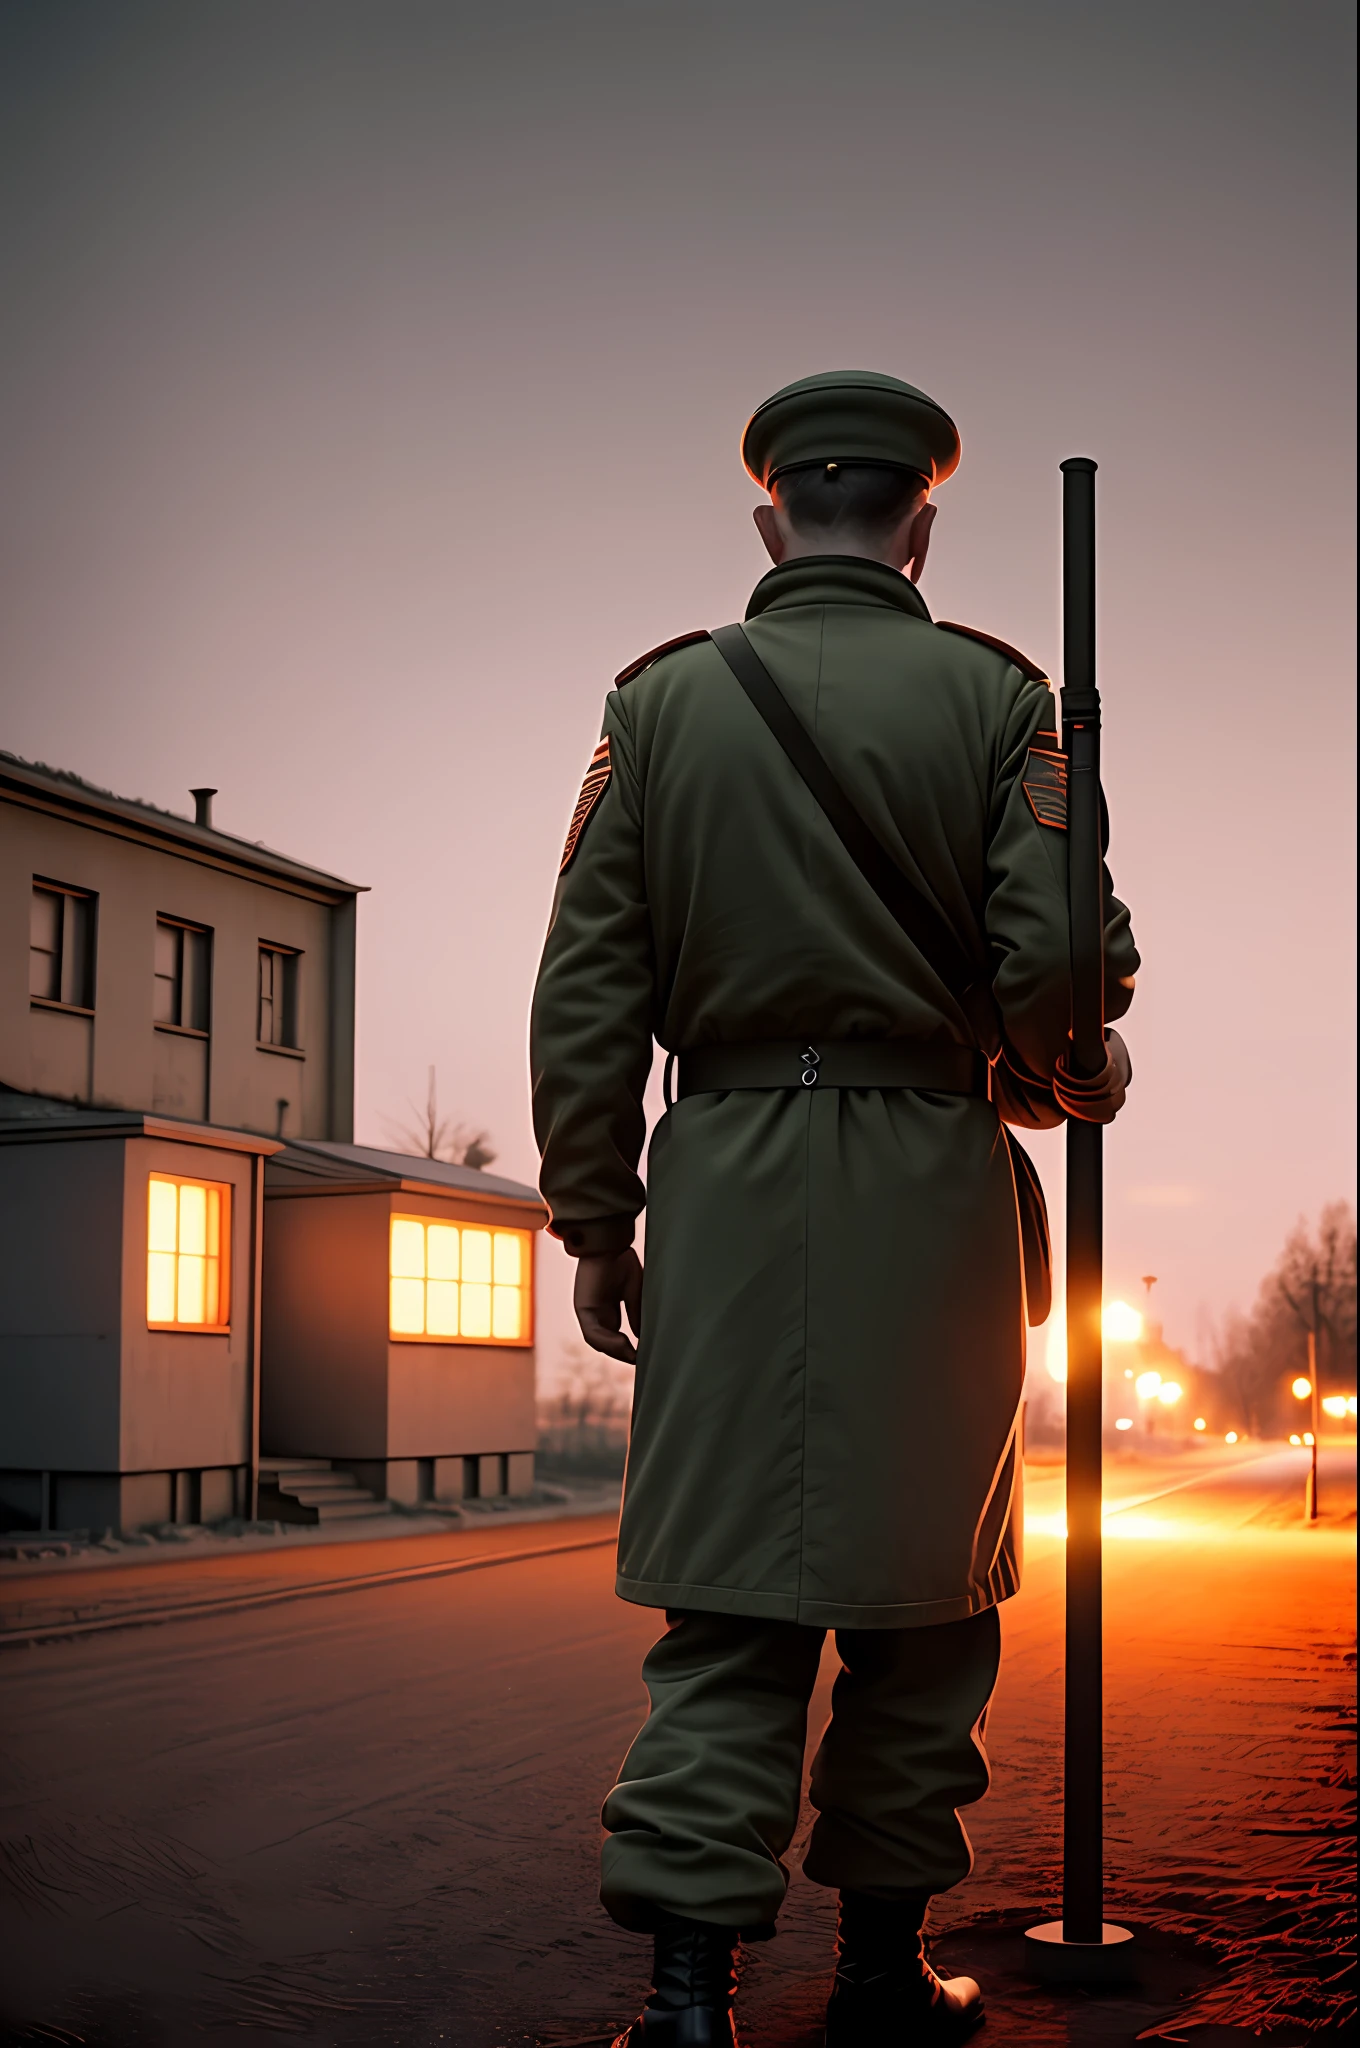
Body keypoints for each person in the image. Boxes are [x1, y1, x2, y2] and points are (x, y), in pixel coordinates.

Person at [530, 370, 1138, 2047]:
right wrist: (1070, 1064)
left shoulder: (655, 708)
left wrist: (598, 1217)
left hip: (722, 1191)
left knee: (729, 1610)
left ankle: (687, 1999)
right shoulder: (1006, 700)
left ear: (769, 519)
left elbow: (587, 993)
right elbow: (1060, 969)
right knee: (922, 1608)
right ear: (921, 526)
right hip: (932, 1213)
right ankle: (879, 1976)